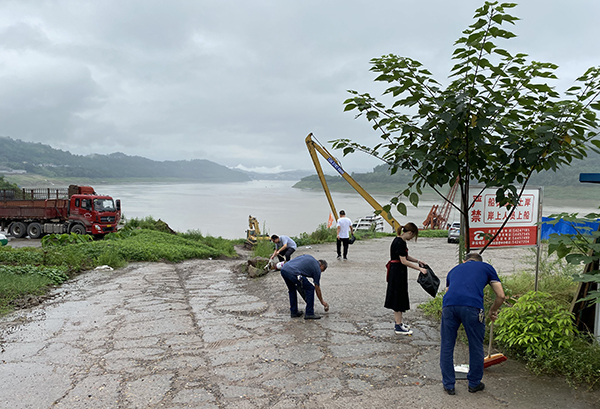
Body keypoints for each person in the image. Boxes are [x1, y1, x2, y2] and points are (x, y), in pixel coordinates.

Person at [440, 252, 506, 396]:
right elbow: (501, 295)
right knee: (475, 345)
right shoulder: (486, 267)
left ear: (464, 261)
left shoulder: (454, 270)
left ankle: (449, 385)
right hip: (472, 307)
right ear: (479, 261)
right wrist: (493, 310)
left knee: (446, 345)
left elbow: (448, 292)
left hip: (449, 307)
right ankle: (474, 384)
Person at [384, 222, 428, 335]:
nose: (412, 238)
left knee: (400, 295)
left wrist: (418, 261)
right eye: (412, 236)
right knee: (398, 297)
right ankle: (398, 326)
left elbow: (405, 256)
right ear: (409, 232)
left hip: (398, 271)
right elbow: (404, 261)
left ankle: (399, 323)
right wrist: (419, 269)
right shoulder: (400, 242)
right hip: (397, 271)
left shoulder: (399, 240)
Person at [280, 254, 329, 320]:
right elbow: (317, 288)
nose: (321, 272)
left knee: (292, 290)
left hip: (284, 269)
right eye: (323, 270)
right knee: (310, 288)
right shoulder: (317, 269)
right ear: (322, 266)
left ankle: (294, 312)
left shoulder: (309, 257)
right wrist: (322, 301)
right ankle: (309, 313)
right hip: (294, 272)